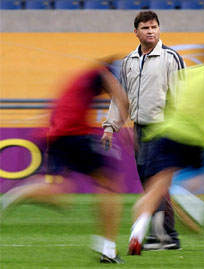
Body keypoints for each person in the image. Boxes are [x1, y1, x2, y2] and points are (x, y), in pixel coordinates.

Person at [0, 59, 129, 264]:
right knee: (112, 184)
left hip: (56, 135)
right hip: (72, 134)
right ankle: (108, 249)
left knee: (61, 195)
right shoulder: (101, 73)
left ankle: (18, 192)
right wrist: (120, 125)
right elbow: (121, 96)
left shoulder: (83, 79)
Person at [127, 59, 204, 255]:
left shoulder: (183, 75)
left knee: (156, 188)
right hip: (193, 135)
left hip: (164, 133)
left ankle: (136, 233)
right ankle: (185, 192)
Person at [101, 10, 185, 251]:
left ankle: (163, 236)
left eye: (155, 27)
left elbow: (181, 95)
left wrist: (177, 128)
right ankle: (164, 235)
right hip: (140, 129)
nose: (151, 31)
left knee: (155, 183)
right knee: (150, 184)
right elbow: (120, 97)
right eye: (146, 27)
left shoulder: (171, 57)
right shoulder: (129, 61)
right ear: (136, 32)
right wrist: (110, 126)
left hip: (163, 128)